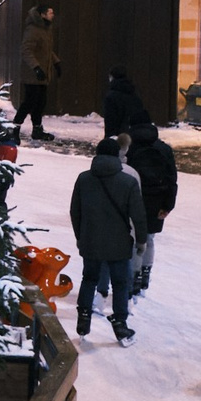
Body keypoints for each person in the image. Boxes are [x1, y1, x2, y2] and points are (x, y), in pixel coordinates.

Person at [68, 139, 144, 344]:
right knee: (120, 283)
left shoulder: (84, 179)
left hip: (90, 240)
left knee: (89, 278)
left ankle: (83, 319)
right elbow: (138, 215)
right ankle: (121, 325)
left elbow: (75, 211)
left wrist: (80, 236)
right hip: (119, 243)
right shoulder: (128, 182)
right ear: (117, 155)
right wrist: (142, 241)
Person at [124, 119, 177, 295]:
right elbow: (172, 180)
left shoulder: (131, 148)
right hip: (157, 199)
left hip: (135, 198)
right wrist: (168, 205)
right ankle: (146, 273)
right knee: (149, 238)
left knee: (133, 239)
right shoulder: (164, 149)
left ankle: (134, 276)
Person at [17, 7, 59, 142]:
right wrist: (36, 68)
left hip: (42, 74)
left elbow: (46, 50)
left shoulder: (46, 29)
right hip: (32, 74)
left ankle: (37, 129)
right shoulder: (33, 29)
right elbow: (26, 50)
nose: (53, 15)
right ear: (42, 14)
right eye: (50, 12)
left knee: (40, 102)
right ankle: (14, 128)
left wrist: (56, 62)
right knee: (29, 102)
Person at [99, 67, 148, 140]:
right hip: (134, 134)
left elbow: (110, 120)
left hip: (119, 136)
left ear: (112, 77)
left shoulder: (111, 96)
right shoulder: (134, 94)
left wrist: (109, 138)